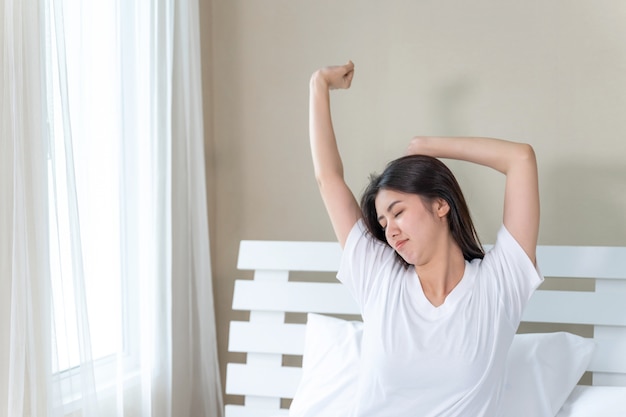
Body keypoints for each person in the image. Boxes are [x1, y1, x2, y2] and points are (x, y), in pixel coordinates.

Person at [309, 60, 543, 416]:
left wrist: (425, 144)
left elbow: (520, 158)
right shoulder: (379, 276)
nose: (389, 229)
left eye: (398, 212)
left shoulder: (499, 284)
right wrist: (319, 85)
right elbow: (328, 178)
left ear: (440, 205)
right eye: (384, 221)